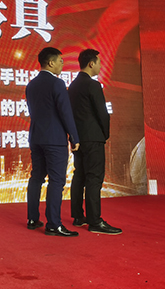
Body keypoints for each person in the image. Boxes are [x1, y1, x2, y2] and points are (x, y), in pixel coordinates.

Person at [25, 47, 80, 237]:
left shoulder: (31, 84)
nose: (62, 64)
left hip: (36, 137)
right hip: (54, 139)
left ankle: (32, 218)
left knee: (36, 178)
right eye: (60, 61)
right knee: (56, 180)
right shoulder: (57, 83)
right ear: (50, 63)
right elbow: (65, 112)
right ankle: (53, 224)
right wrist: (74, 137)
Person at [68, 49, 122, 235]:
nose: (100, 66)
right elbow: (102, 113)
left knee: (79, 176)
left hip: (78, 138)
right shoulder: (93, 85)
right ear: (91, 64)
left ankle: (78, 216)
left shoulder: (72, 86)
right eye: (99, 62)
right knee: (94, 178)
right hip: (93, 138)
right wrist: (104, 134)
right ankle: (95, 221)